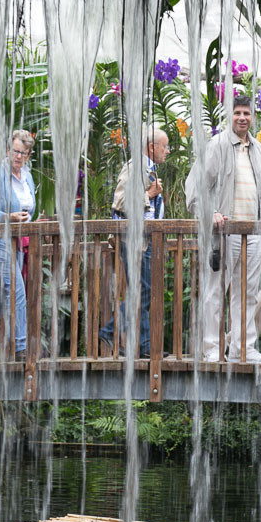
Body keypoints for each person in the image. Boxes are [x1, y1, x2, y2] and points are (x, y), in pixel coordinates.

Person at [185, 95, 261, 363]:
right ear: (229, 116)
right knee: (215, 291)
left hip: (252, 232)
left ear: (252, 117)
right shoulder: (217, 145)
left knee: (249, 291)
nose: (242, 118)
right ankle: (212, 349)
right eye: (237, 113)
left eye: (246, 113)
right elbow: (195, 188)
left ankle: (244, 348)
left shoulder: (257, 149)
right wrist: (211, 214)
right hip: (225, 232)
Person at [99, 124, 169, 358]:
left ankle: (146, 346)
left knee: (143, 290)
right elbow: (119, 202)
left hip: (146, 240)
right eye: (164, 146)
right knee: (144, 291)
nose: (167, 151)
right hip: (133, 240)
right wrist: (148, 195)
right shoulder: (134, 167)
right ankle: (111, 329)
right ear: (151, 147)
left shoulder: (149, 169)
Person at [0, 130, 34, 358]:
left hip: (19, 242)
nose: (18, 156)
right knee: (16, 288)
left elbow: (29, 207)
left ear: (28, 155)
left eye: (23, 153)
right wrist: (7, 217)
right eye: (15, 151)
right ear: (7, 150)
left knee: (5, 294)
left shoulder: (27, 176)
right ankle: (20, 347)